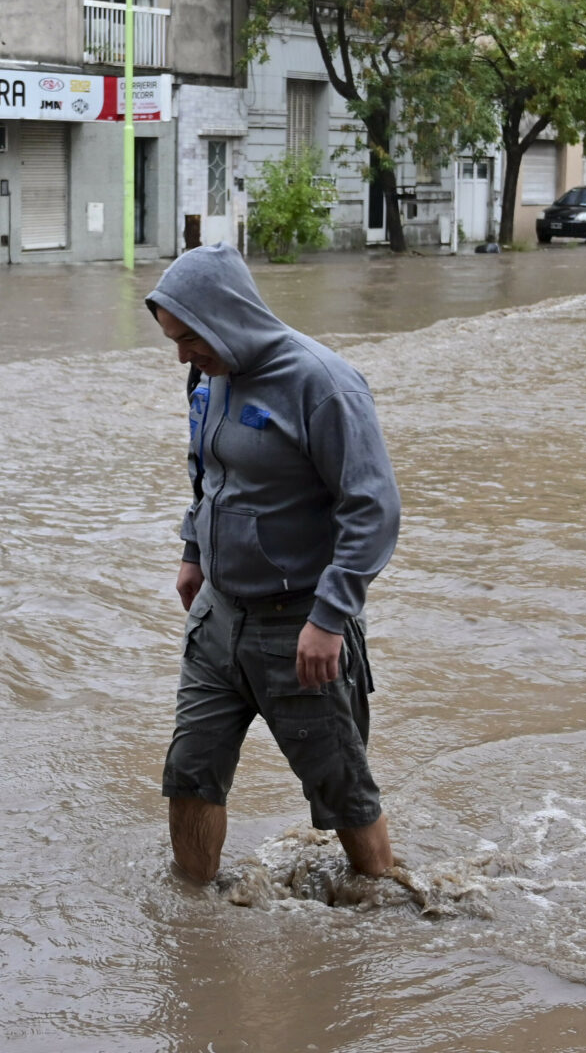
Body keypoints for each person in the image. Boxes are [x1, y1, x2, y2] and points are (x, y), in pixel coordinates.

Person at [146, 245, 402, 886]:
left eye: (191, 338)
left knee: (341, 787)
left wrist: (331, 617)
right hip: (218, 618)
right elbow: (205, 473)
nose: (183, 356)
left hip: (300, 628)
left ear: (229, 317)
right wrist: (193, 551)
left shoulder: (323, 384)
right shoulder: (209, 374)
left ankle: (385, 907)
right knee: (191, 772)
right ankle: (194, 919)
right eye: (175, 341)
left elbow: (373, 510)